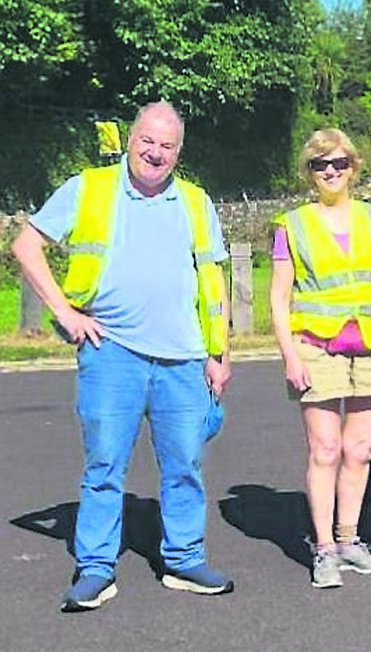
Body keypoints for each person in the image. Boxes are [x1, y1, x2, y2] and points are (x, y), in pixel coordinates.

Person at [12, 102, 233, 611]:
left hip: (183, 359)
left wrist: (218, 353)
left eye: (167, 146)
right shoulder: (88, 188)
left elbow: (214, 282)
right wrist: (66, 314)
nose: (155, 153)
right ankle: (95, 568)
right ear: (130, 140)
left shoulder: (197, 202)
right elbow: (27, 245)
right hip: (112, 354)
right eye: (147, 141)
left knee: (184, 467)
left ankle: (184, 559)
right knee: (105, 465)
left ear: (179, 152)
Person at [269, 129, 371, 588]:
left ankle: (350, 540)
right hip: (315, 346)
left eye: (339, 163)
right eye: (320, 164)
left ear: (354, 166)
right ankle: (324, 547)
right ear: (308, 171)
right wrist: (290, 355)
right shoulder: (293, 224)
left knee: (360, 450)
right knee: (324, 449)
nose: (331, 171)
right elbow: (278, 296)